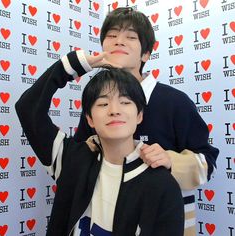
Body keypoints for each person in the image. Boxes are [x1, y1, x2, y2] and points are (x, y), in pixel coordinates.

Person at [71, 7, 219, 236]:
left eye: (130, 37)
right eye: (111, 36)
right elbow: (79, 159)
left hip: (162, 222)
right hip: (104, 220)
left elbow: (207, 162)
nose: (119, 41)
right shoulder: (96, 103)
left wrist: (171, 160)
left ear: (146, 54)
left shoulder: (175, 102)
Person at [15, 67, 184, 235]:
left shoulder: (162, 184)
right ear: (89, 119)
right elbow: (28, 108)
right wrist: (78, 63)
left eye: (125, 102)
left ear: (139, 115)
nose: (114, 111)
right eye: (103, 104)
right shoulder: (71, 160)